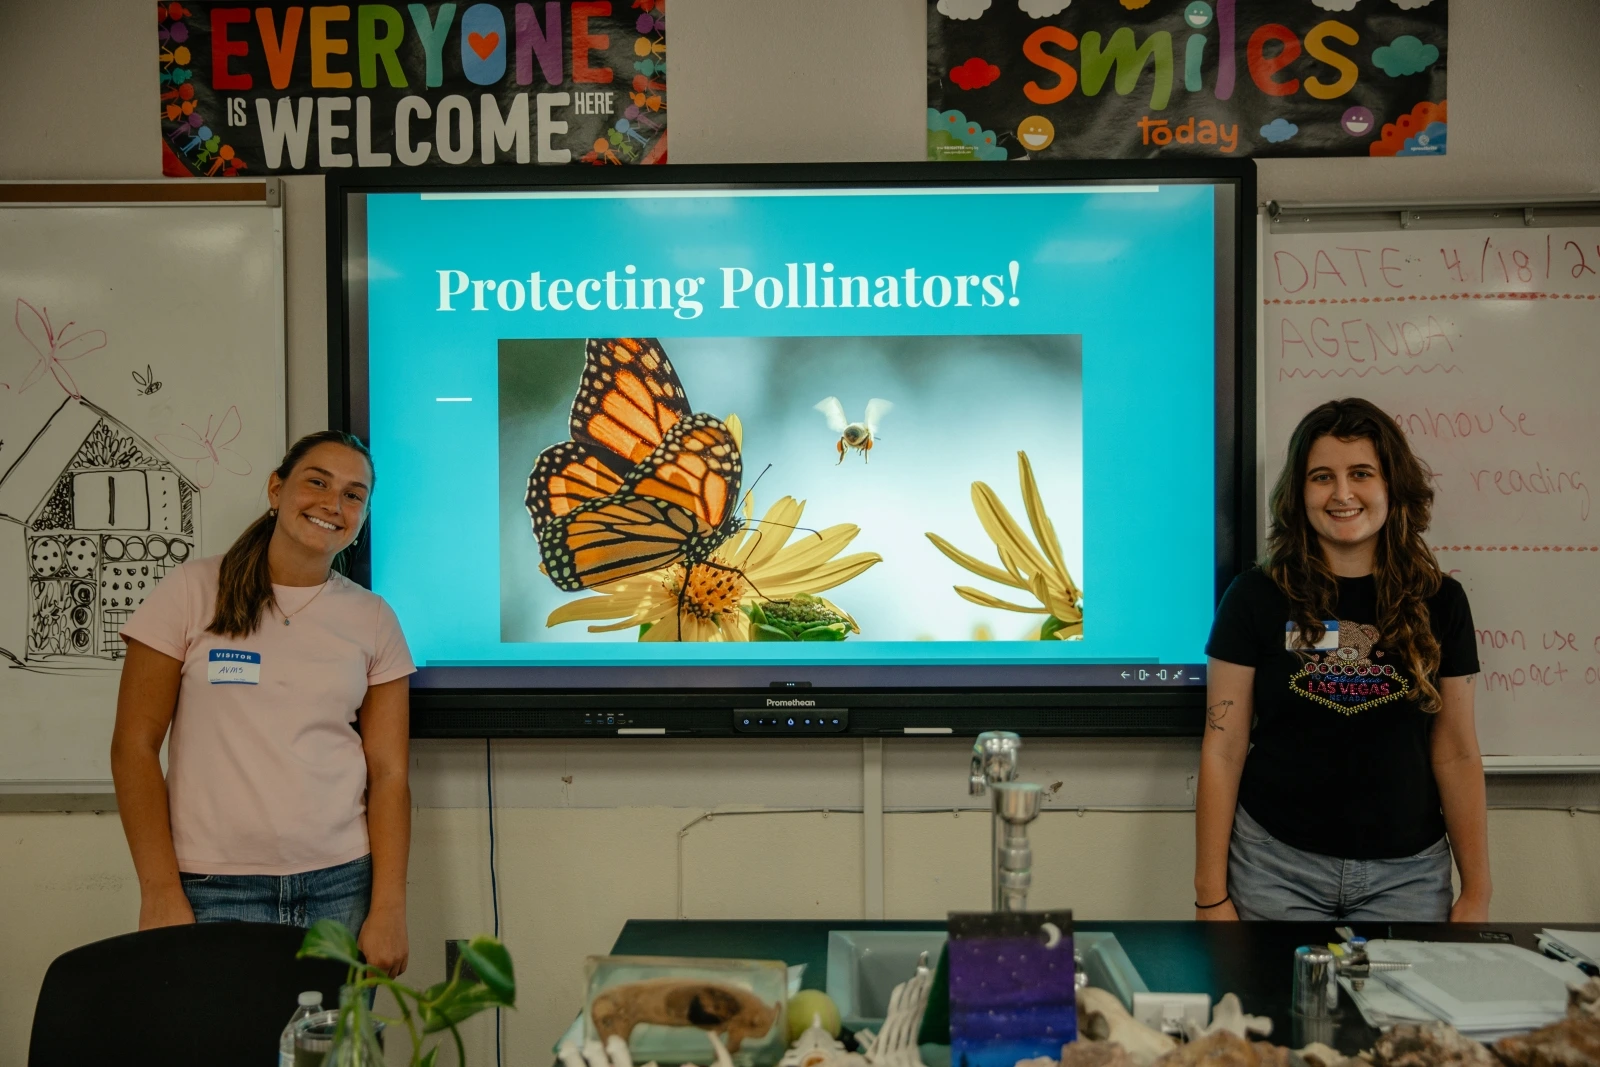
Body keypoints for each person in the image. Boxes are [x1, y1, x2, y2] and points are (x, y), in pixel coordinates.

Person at [111, 431, 414, 976]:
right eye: (317, 482)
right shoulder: (191, 591)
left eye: (353, 495)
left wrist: (389, 907)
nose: (333, 504)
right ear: (277, 489)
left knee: (336, 1038)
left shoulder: (373, 618)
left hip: (341, 888)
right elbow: (134, 747)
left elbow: (390, 773)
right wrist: (158, 891)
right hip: (211, 889)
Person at [1194, 397, 1489, 922]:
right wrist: (1210, 895)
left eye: (1361, 473)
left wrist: (1477, 892)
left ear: (1392, 484)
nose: (1342, 493)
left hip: (1409, 878)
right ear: (1299, 491)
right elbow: (1223, 748)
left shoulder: (1441, 602)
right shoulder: (1254, 597)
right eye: (1322, 477)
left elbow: (1457, 753)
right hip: (1274, 868)